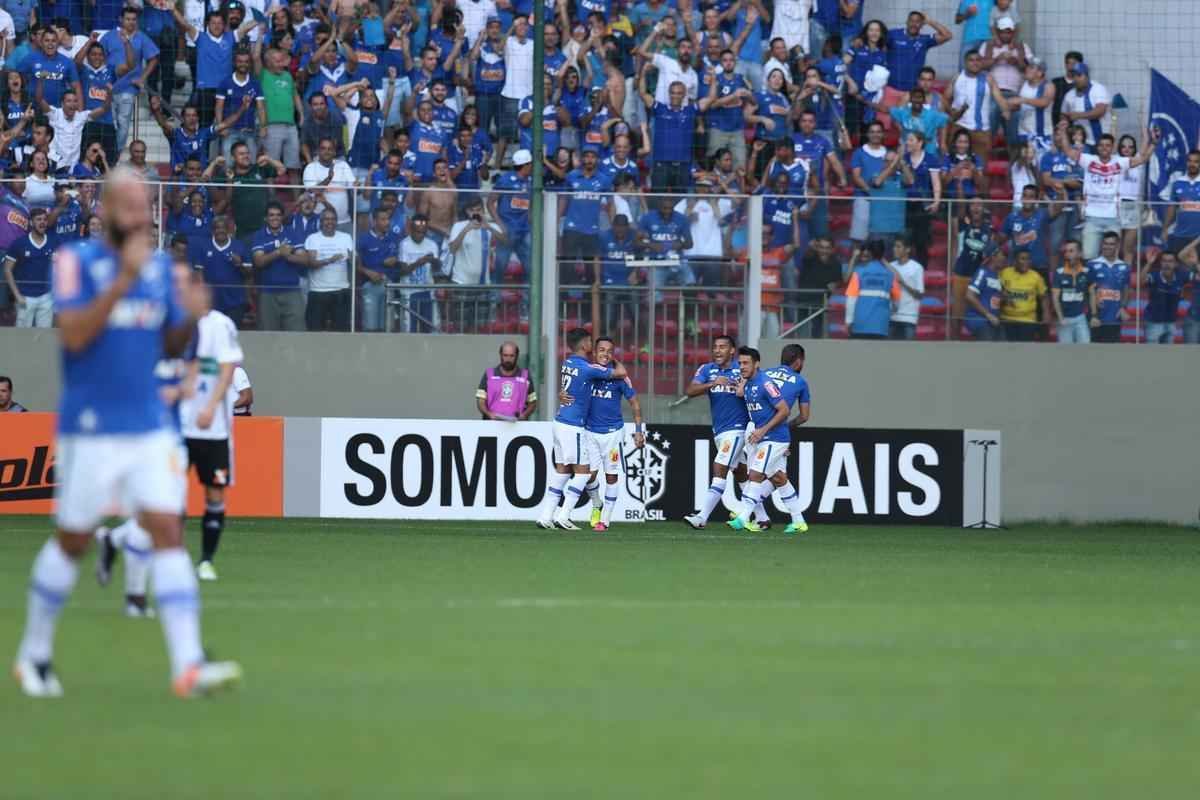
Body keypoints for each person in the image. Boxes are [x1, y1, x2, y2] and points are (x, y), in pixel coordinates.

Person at [13, 166, 241, 699]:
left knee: (166, 529)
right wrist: (122, 279)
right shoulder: (76, 263)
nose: (142, 216)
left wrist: (186, 318)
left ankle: (188, 664)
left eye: (146, 207)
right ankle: (34, 653)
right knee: (73, 540)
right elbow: (72, 336)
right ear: (106, 211)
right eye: (132, 207)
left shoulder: (159, 269)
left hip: (149, 425)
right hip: (90, 427)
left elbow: (168, 345)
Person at [178, 274, 241, 583]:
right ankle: (171, 558)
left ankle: (205, 560)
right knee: (169, 491)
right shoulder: (175, 324)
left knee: (214, 492)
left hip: (213, 428)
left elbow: (228, 369)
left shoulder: (221, 325)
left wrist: (210, 407)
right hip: (178, 426)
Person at [536, 327, 627, 530]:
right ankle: (564, 515)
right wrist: (613, 360)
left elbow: (572, 386)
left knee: (562, 470)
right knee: (584, 473)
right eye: (590, 342)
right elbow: (621, 373)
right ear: (585, 344)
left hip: (559, 421)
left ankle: (545, 516)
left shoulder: (567, 363)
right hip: (572, 425)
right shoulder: (588, 368)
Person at [727, 345, 811, 535]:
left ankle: (743, 516)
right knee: (778, 477)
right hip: (770, 432)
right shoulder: (800, 381)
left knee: (755, 473)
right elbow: (804, 416)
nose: (742, 366)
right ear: (798, 361)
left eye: (744, 363)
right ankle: (799, 521)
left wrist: (773, 431)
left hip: (771, 435)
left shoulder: (764, 375)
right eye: (740, 363)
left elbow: (775, 406)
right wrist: (785, 427)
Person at [1057, 122, 1158, 260]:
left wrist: (1153, 143)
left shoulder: (1120, 162)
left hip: (1113, 219)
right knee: (1089, 256)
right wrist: (1063, 132)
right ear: (1097, 147)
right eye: (1101, 145)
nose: (1104, 148)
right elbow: (1067, 150)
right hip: (1092, 217)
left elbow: (1142, 159)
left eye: (1108, 145)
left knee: (1112, 259)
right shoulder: (1088, 160)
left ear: (1112, 148)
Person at [582, 337, 643, 532]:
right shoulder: (588, 373)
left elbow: (634, 403)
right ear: (595, 352)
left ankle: (605, 520)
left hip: (613, 434)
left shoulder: (620, 378)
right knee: (588, 476)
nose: (605, 354)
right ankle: (597, 503)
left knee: (611, 476)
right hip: (589, 432)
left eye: (609, 351)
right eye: (601, 350)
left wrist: (639, 430)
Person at [251, 202, 308, 332]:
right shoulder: (259, 235)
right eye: (271, 215)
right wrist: (278, 252)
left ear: (282, 217)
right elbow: (258, 261)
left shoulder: (292, 233)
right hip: (267, 293)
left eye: (278, 215)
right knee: (268, 336)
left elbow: (305, 259)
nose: (275, 218)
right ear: (265, 218)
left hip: (292, 291)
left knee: (297, 334)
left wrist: (288, 256)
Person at [303, 207, 354, 331]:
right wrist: (330, 260)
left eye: (332, 219)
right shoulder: (313, 238)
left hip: (341, 291)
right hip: (318, 291)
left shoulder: (346, 237)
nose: (329, 222)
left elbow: (354, 262)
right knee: (315, 331)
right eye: (326, 219)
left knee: (341, 332)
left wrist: (352, 257)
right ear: (320, 222)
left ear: (337, 221)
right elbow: (311, 263)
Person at [3, 206, 54, 327]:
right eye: (38, 219)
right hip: (25, 297)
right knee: (22, 338)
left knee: (43, 336)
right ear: (31, 222)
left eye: (44, 219)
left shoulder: (54, 242)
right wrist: (17, 295)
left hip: (46, 297)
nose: (42, 222)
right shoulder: (19, 243)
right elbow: (7, 269)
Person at [844, 239, 901, 339]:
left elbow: (851, 300)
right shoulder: (890, 275)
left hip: (859, 326)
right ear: (883, 253)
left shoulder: (859, 273)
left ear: (869, 253)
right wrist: (888, 311)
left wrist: (849, 321)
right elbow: (896, 303)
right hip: (881, 327)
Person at [886, 11, 953, 92]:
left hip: (913, 90)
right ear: (907, 22)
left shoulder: (924, 40)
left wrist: (929, 21)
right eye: (911, 21)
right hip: (891, 88)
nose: (914, 24)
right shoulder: (893, 34)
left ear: (922, 25)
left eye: (917, 22)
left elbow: (947, 35)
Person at [1087, 231, 1131, 343]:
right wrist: (1093, 314)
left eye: (1111, 244)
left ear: (1117, 246)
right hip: (1096, 319)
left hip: (1114, 319)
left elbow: (1126, 289)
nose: (1107, 247)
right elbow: (1088, 291)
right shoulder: (1091, 265)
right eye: (1105, 243)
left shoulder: (1124, 267)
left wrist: (1123, 308)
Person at [476, 341, 537, 421]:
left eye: (511, 356)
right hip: (491, 424)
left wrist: (524, 415)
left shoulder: (525, 375)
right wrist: (489, 414)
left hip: (518, 426)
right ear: (500, 355)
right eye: (505, 355)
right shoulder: (489, 374)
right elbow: (480, 400)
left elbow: (532, 401)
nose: (508, 359)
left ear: (517, 356)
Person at [999, 248, 1048, 341]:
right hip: (1007, 319)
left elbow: (1044, 297)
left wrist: (1046, 314)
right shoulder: (1005, 273)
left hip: (1027, 321)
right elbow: (997, 291)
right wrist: (1004, 297)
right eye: (1023, 259)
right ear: (1015, 261)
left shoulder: (1036, 277)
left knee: (1024, 352)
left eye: (1028, 259)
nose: (1026, 262)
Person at [1141, 249, 1189, 344]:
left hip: (1171, 322)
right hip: (1153, 322)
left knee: (1168, 355)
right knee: (1152, 355)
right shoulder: (1154, 276)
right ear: (1160, 263)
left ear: (1176, 264)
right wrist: (1149, 264)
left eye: (1170, 261)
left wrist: (1195, 264)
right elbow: (1141, 281)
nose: (1167, 264)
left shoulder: (1181, 275)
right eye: (1164, 261)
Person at [1060, 62, 1109, 149]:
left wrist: (1078, 115)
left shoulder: (1098, 89)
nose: (1076, 79)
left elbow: (1100, 111)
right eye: (1073, 76)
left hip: (1102, 141)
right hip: (1081, 143)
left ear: (1087, 76)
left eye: (1079, 75)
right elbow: (1064, 114)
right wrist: (1065, 123)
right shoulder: (1069, 95)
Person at [1159, 149, 1200, 256]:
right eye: (1190, 161)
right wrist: (1165, 229)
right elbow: (1171, 208)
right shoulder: (1178, 183)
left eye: (1196, 161)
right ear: (1186, 162)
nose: (1192, 164)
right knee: (1180, 268)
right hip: (1180, 235)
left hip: (1198, 236)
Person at [1051, 240, 1091, 343]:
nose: (1067, 254)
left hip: (1080, 318)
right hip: (1064, 319)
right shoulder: (1059, 272)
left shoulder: (1086, 272)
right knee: (1065, 353)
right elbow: (1055, 298)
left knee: (1086, 351)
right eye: (1066, 251)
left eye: (1071, 251)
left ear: (1080, 254)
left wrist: (1093, 315)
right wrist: (1060, 318)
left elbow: (1092, 294)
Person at [964, 244, 1005, 340]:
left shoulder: (997, 275)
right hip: (979, 320)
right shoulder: (982, 273)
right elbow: (969, 296)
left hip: (993, 321)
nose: (1004, 258)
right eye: (1001, 255)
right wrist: (988, 315)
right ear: (993, 257)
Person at [888, 236, 925, 340]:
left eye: (898, 246)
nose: (894, 249)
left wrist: (903, 283)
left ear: (907, 249)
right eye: (894, 246)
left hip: (909, 317)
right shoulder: (890, 266)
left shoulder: (917, 268)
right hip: (892, 317)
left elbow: (920, 295)